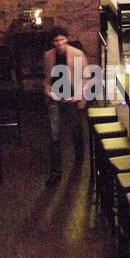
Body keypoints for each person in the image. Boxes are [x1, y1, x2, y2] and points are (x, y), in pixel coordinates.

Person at [42, 27, 85, 186]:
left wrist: (78, 96)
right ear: (53, 42)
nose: (59, 43)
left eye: (62, 40)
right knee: (54, 134)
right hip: (56, 97)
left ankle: (80, 158)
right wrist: (48, 93)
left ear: (66, 39)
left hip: (72, 95)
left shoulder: (77, 54)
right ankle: (56, 173)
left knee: (75, 128)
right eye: (56, 40)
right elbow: (47, 78)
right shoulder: (48, 56)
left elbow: (85, 78)